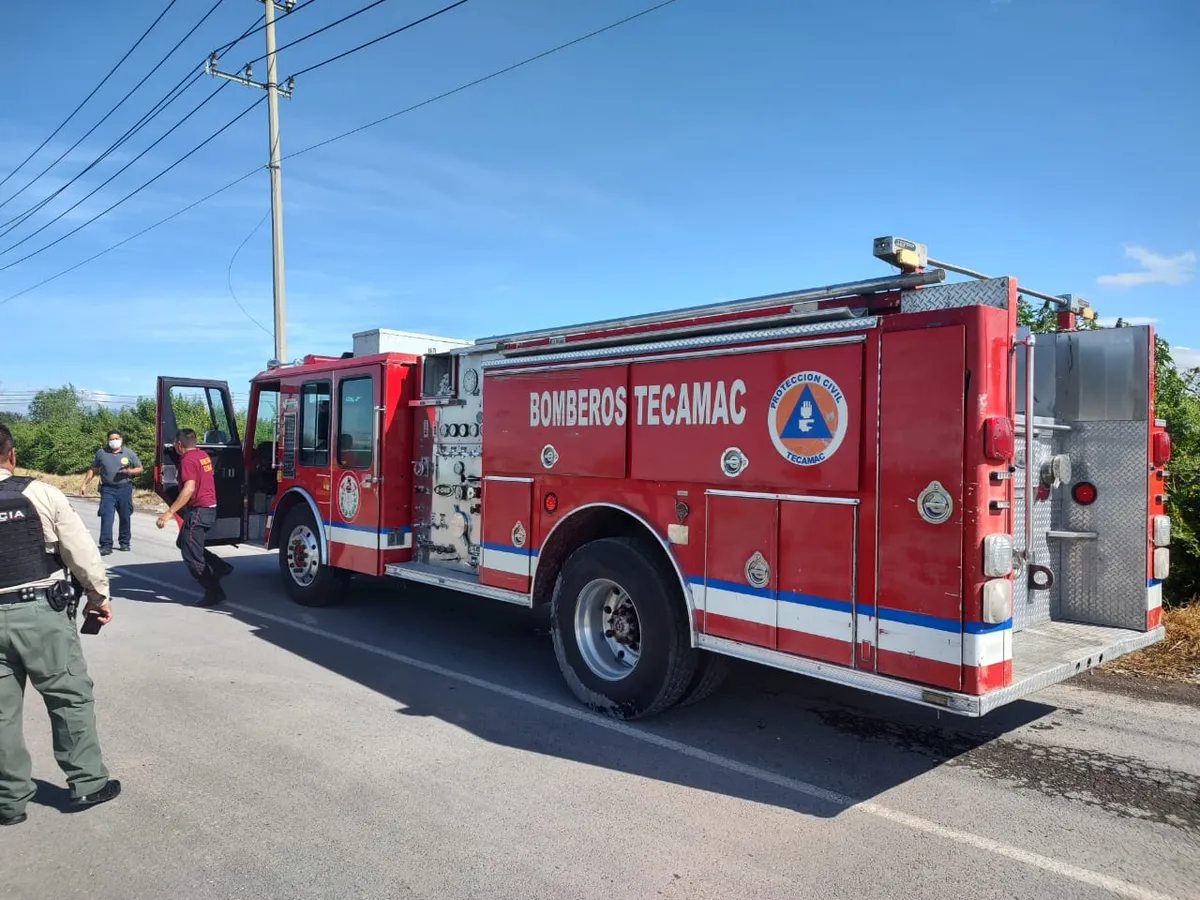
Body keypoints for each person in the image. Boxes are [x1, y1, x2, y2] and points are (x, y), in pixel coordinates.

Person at [0, 423, 121, 827]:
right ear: (11, 455)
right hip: (39, 613)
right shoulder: (39, 492)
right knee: (68, 697)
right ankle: (87, 782)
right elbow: (81, 552)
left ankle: (8, 802)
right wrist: (97, 597)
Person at [156, 429, 232, 607]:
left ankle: (214, 592)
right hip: (207, 508)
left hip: (200, 512)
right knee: (184, 542)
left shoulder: (187, 460)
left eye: (175, 444)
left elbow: (189, 489)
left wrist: (168, 513)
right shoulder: (202, 454)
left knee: (191, 555)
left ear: (180, 445)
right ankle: (220, 566)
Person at [79, 429, 143, 555]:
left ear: (121, 439)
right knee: (106, 517)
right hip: (107, 490)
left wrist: (129, 472)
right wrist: (84, 484)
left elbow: (140, 468)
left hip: (124, 489)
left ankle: (124, 542)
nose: (114, 441)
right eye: (111, 439)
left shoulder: (129, 453)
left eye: (116, 438)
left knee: (125, 516)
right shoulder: (101, 453)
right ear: (107, 440)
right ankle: (106, 545)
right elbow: (93, 469)